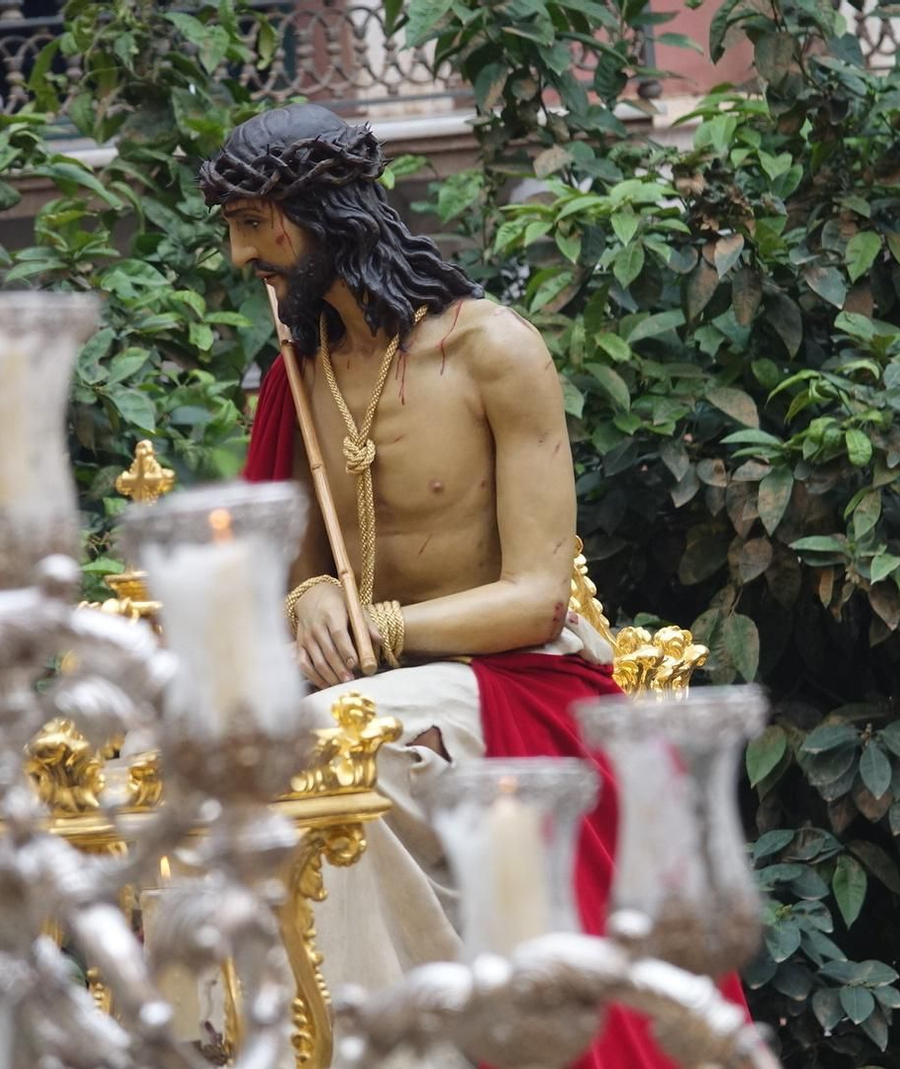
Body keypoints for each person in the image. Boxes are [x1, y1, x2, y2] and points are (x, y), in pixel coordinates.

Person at [197, 103, 744, 1069]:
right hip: (376, 692)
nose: (243, 257)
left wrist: (383, 624)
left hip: (519, 682)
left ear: (321, 211)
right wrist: (305, 597)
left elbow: (536, 600)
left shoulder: (492, 351)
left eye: (253, 225)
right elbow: (295, 570)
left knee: (326, 751)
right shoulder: (297, 372)